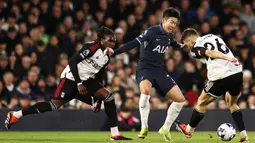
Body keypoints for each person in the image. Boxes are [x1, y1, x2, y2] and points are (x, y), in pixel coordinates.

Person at [4, 26, 132, 141]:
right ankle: (15, 115)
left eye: (114, 41)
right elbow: (72, 61)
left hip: (86, 80)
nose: (112, 43)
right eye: (109, 40)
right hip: (70, 78)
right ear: (101, 39)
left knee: (109, 97)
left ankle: (115, 134)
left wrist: (99, 99)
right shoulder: (91, 47)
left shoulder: (107, 57)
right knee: (53, 106)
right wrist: (79, 83)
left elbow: (99, 75)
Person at [108, 7, 186, 141]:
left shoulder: (169, 35)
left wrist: (180, 45)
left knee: (180, 99)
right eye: (171, 22)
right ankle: (144, 127)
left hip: (159, 70)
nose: (173, 25)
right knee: (145, 91)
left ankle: (165, 129)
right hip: (144, 68)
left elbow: (171, 42)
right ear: (164, 20)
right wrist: (114, 52)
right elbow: (133, 43)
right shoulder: (151, 31)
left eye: (175, 23)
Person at [175, 28, 249, 142]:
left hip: (221, 76)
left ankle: (189, 130)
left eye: (187, 44)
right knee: (232, 103)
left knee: (201, 102)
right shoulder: (213, 36)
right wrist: (230, 59)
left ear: (190, 40)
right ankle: (244, 135)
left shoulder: (195, 48)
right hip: (237, 72)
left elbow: (209, 52)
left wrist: (227, 58)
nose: (188, 47)